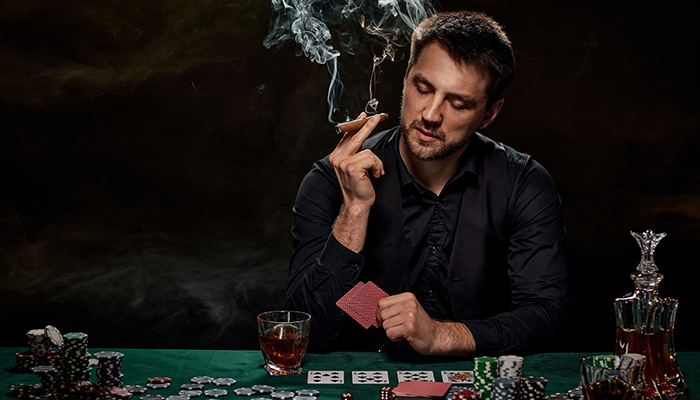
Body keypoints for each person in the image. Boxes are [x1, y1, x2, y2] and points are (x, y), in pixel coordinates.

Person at [285, 10, 570, 357]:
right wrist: (355, 210)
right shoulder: (330, 179)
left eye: (458, 103)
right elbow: (306, 334)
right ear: (405, 80)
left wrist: (441, 336)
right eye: (423, 89)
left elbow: (545, 319)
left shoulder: (524, 184)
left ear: (490, 113)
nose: (431, 115)